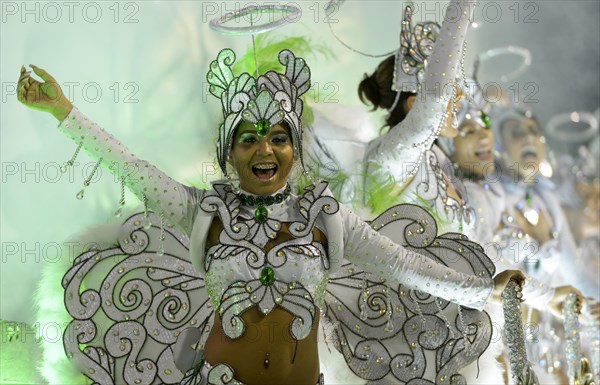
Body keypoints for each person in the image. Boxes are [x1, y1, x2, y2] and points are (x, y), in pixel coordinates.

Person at [17, 43, 526, 384]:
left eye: (278, 136)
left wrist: (483, 291)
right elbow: (131, 168)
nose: (265, 149)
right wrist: (63, 111)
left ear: (293, 148)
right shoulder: (204, 210)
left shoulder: (328, 218)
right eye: (249, 138)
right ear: (230, 151)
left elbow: (408, 267)